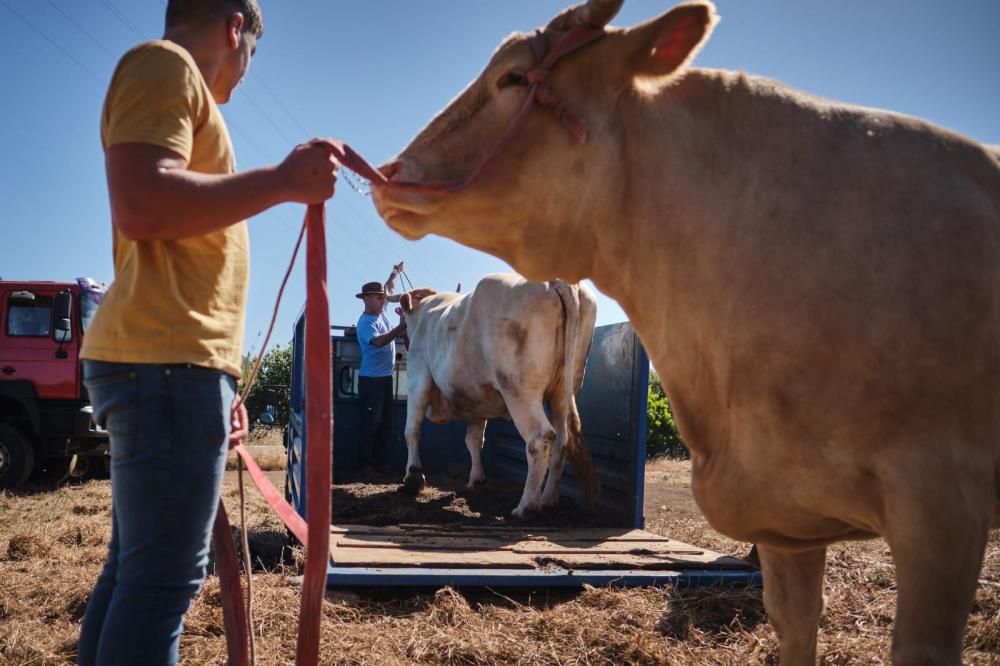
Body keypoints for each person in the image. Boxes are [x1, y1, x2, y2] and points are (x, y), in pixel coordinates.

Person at [76, 1, 338, 664]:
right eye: (252, 50)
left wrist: (222, 385)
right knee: (162, 582)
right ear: (234, 27)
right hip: (167, 366)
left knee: (135, 571)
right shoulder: (162, 65)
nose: (247, 70)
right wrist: (281, 181)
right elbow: (144, 202)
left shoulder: (174, 84)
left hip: (175, 367)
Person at [355, 273, 407, 474]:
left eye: (383, 297)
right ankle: (365, 465)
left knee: (385, 423)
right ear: (366, 299)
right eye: (379, 297)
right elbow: (378, 342)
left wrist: (395, 272)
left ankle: (380, 464)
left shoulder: (381, 312)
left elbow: (389, 287)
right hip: (371, 381)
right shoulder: (365, 323)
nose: (383, 299)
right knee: (372, 423)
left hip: (384, 379)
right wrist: (401, 327)